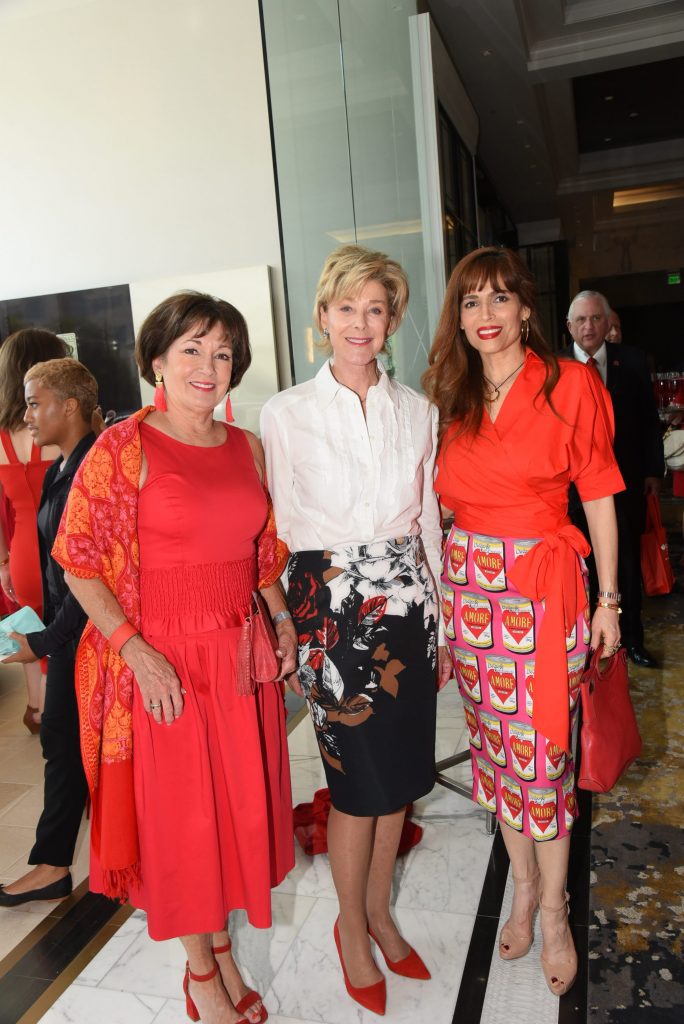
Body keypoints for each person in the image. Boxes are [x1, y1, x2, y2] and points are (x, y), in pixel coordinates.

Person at [52, 292, 296, 1024]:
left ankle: (219, 944)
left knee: (230, 814)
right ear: (155, 359)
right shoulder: (123, 447)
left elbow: (260, 553)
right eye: (191, 349)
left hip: (237, 656)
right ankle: (199, 973)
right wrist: (136, 652)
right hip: (165, 663)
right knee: (187, 825)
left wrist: (280, 617)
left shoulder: (246, 446)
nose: (208, 366)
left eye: (222, 353)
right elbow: (78, 563)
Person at [423, 247, 623, 997]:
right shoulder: (451, 391)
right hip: (472, 597)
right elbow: (437, 509)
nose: (486, 316)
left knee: (544, 758)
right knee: (496, 756)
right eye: (471, 302)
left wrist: (608, 600)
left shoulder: (569, 384)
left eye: (500, 299)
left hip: (544, 595)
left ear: (527, 309)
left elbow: (600, 495)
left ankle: (556, 912)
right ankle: (523, 888)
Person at [261, 244, 451, 1016]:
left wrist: (448, 628)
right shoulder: (286, 412)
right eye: (348, 308)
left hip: (409, 601)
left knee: (402, 779)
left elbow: (431, 522)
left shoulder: (419, 410)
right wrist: (281, 620)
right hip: (328, 606)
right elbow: (268, 528)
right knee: (354, 787)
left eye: (377, 309)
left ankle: (379, 912)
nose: (362, 323)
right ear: (323, 316)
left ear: (393, 318)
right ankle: (349, 928)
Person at [0, 359, 98, 908]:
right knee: (63, 744)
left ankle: (51, 866)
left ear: (70, 406)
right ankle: (52, 862)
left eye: (36, 403)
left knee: (65, 744)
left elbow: (91, 579)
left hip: (79, 637)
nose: (28, 415)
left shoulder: (88, 470)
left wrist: (41, 642)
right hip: (67, 634)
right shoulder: (66, 466)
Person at [564, 290, 664, 667]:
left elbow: (648, 422)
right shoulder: (554, 367)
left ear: (607, 324)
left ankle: (633, 641)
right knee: (581, 566)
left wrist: (653, 471)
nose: (588, 326)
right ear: (569, 326)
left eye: (595, 319)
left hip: (624, 487)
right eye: (581, 320)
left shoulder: (632, 361)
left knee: (626, 565)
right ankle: (586, 641)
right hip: (572, 493)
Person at [0, 329, 69, 732]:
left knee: (29, 624)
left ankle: (37, 710)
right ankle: (65, 711)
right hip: (62, 549)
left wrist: (4, 562)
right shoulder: (64, 425)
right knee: (68, 634)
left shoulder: (3, 437)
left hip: (23, 554)